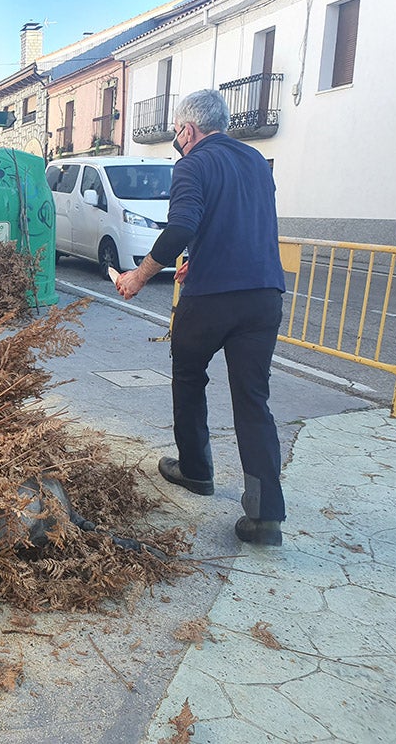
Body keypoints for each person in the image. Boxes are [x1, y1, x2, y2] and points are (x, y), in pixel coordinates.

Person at [115, 89, 287, 546]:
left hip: (213, 297)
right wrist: (200, 256)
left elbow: (182, 225)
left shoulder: (192, 163)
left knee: (188, 375)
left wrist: (139, 276)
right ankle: (265, 516)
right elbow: (238, 224)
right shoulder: (255, 161)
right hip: (265, 293)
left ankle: (195, 470)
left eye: (177, 132)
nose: (177, 140)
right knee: (253, 398)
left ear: (187, 130)